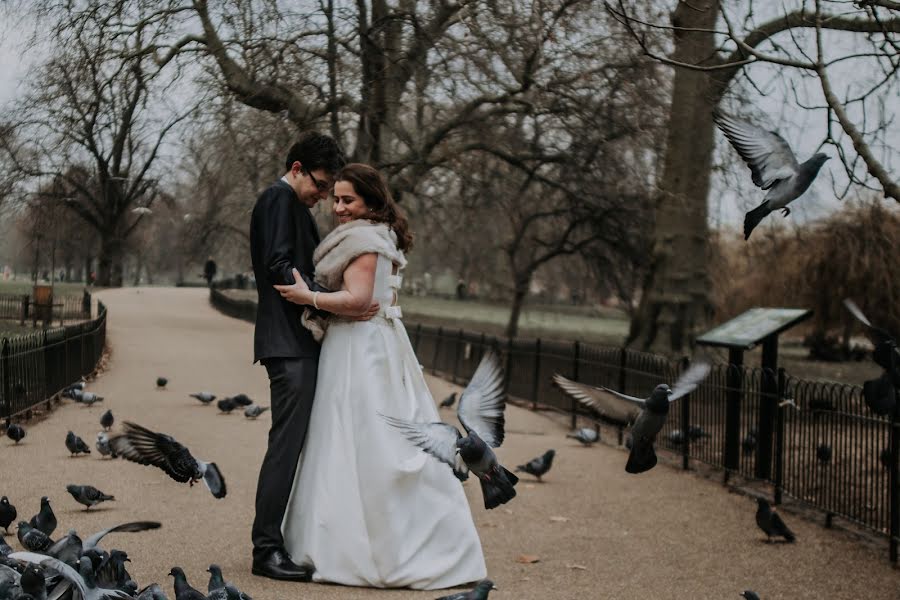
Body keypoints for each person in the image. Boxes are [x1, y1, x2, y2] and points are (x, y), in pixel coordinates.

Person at [274, 163, 486, 590]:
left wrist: (306, 296)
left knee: (360, 439)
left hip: (360, 347)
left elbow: (356, 301)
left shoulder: (365, 240)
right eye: (335, 199)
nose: (338, 208)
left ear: (370, 201)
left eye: (348, 200)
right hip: (371, 343)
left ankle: (365, 550)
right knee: (352, 440)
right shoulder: (376, 234)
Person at [249, 132, 355, 582]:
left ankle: (279, 541)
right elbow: (277, 265)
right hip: (288, 343)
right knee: (284, 447)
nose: (322, 196)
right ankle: (266, 550)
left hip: (293, 342)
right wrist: (321, 295)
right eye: (320, 185)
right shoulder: (278, 199)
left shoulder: (289, 202)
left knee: (292, 446)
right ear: (296, 169)